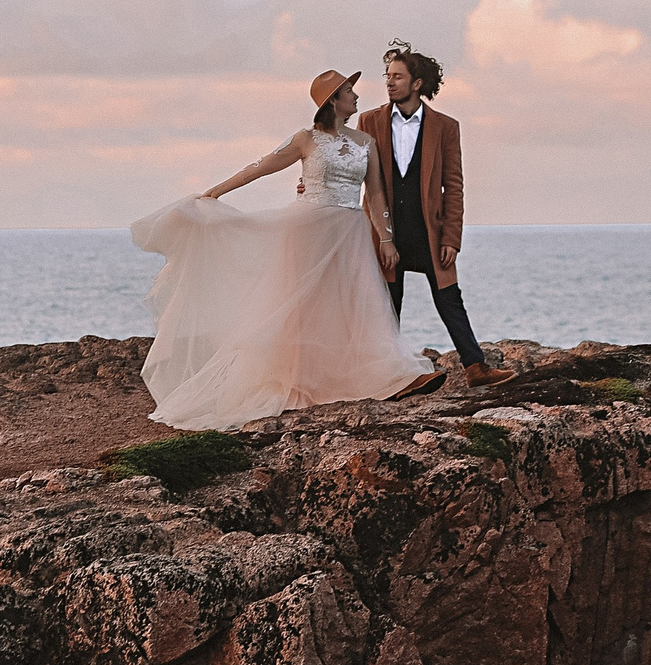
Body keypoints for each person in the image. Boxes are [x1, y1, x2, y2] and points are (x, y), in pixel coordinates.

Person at [131, 69, 444, 428]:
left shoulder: (365, 142)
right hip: (309, 229)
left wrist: (386, 237)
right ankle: (296, 382)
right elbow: (260, 167)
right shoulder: (306, 139)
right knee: (302, 305)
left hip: (351, 232)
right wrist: (215, 192)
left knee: (357, 302)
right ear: (333, 101)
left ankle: (388, 376)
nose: (356, 98)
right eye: (348, 92)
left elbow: (374, 194)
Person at [357, 40, 515, 391]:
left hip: (430, 230)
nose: (389, 82)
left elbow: (454, 186)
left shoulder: (445, 126)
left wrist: (451, 238)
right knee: (388, 303)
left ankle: (475, 367)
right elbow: (357, 171)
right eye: (387, 76)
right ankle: (384, 377)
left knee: (449, 298)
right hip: (386, 230)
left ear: (417, 83)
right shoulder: (369, 120)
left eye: (397, 76)